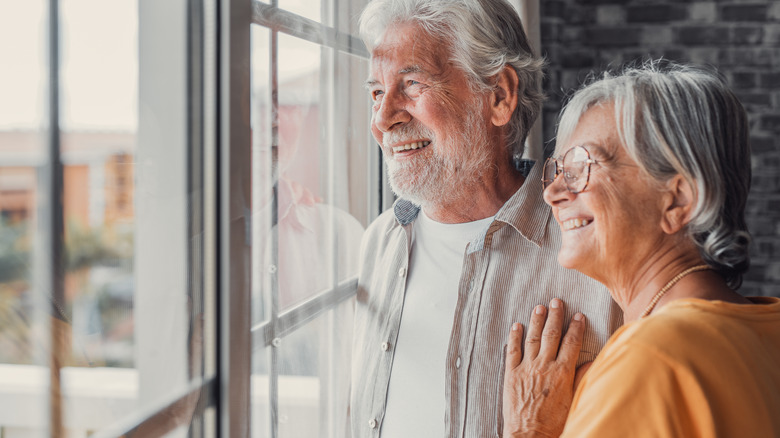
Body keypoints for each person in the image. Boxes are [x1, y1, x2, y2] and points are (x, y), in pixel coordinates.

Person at [350, 0, 623, 436]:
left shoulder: (597, 251)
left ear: (499, 96)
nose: (382, 119)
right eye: (377, 92)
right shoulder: (379, 242)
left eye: (412, 83)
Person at [502, 61, 780, 437]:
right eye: (559, 168)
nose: (552, 193)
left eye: (582, 165)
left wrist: (530, 429)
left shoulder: (650, 359)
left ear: (677, 200)